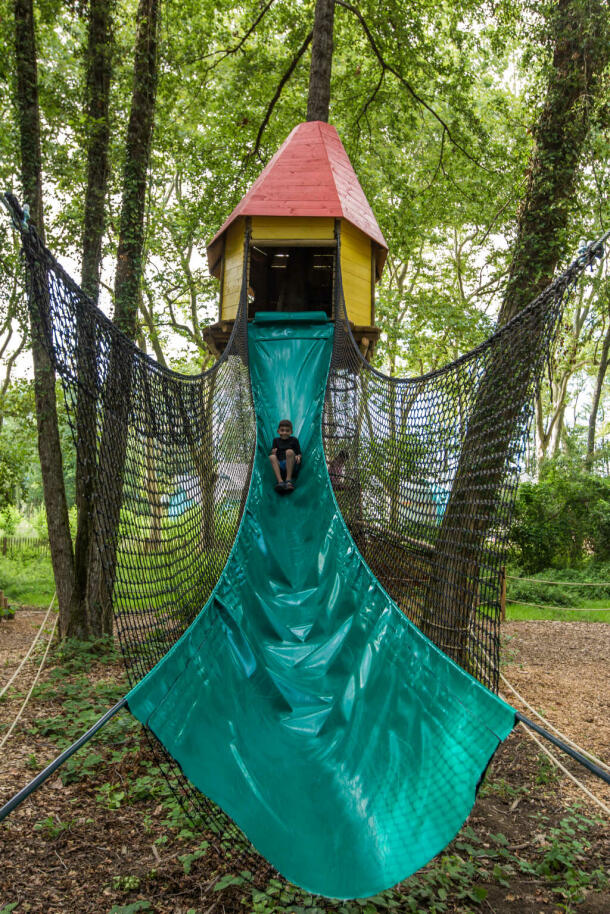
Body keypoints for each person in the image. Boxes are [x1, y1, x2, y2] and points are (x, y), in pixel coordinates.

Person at [269, 419, 301, 493]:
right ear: (278, 431)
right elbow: (274, 454)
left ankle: (288, 481)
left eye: (287, 430)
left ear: (291, 432)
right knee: (271, 457)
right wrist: (273, 453)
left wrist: (298, 456)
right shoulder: (275, 440)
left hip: (291, 465)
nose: (284, 432)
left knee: (289, 452)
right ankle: (280, 482)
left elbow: (299, 453)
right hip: (280, 466)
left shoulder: (294, 440)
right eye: (282, 430)